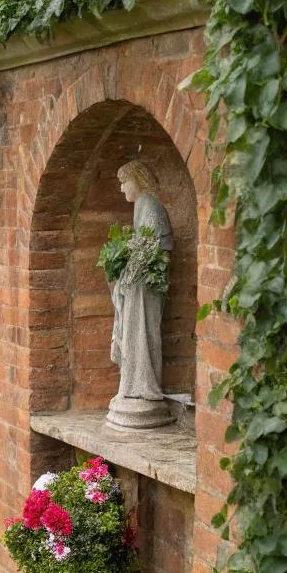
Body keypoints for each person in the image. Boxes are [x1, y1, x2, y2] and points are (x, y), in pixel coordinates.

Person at [107, 159, 174, 429]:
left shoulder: (150, 205)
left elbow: (158, 246)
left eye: (125, 182)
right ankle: (132, 386)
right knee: (133, 333)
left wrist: (133, 266)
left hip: (146, 287)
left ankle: (145, 388)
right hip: (137, 285)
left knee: (142, 332)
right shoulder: (140, 206)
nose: (122, 189)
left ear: (139, 179)